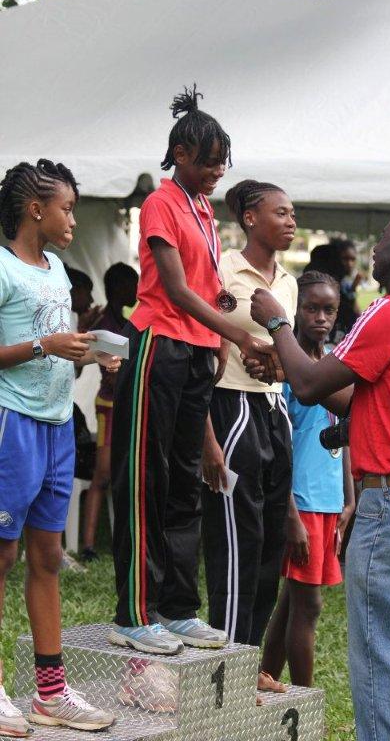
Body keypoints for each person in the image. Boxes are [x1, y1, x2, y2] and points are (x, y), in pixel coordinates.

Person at [249, 209, 390, 741]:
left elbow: (309, 385)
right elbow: (359, 399)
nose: (374, 249)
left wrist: (278, 324)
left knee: (384, 657)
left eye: (384, 239)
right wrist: (289, 366)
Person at [109, 87, 276, 656]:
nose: (217, 172)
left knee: (185, 482)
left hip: (198, 351)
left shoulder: (203, 209)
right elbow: (175, 291)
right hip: (159, 345)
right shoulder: (161, 203)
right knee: (144, 480)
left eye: (222, 162)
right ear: (180, 154)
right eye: (208, 162)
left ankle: (178, 608)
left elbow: (204, 289)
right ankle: (135, 614)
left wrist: (222, 325)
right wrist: (240, 335)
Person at [0, 159, 119, 735]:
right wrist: (44, 345)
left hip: (55, 426)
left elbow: (54, 349)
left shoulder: (56, 272)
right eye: (67, 209)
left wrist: (90, 353)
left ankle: (50, 693)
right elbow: (33, 346)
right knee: (3, 555)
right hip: (12, 424)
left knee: (47, 557)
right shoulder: (2, 268)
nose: (73, 219)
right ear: (34, 210)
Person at [201, 179, 297, 693]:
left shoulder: (288, 282)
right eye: (280, 213)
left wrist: (276, 365)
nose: (291, 221)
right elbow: (203, 350)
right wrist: (207, 438)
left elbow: (287, 357)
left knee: (269, 545)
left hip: (274, 410)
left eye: (293, 213)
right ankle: (228, 668)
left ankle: (248, 659)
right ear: (251, 218)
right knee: (238, 543)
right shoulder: (222, 269)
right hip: (231, 408)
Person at [259, 271, 355, 688]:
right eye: (311, 308)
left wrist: (349, 499)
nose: (320, 318)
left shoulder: (334, 363)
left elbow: (343, 432)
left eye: (329, 310)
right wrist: (291, 514)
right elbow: (278, 449)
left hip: (329, 502)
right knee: (308, 605)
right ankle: (303, 699)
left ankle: (264, 678)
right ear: (295, 310)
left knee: (292, 601)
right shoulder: (287, 367)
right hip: (303, 502)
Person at [81, 262, 139, 562]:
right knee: (102, 475)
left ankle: (123, 540)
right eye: (132, 283)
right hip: (109, 406)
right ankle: (88, 547)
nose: (138, 289)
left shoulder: (123, 320)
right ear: (118, 287)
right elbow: (114, 372)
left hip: (125, 404)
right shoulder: (105, 323)